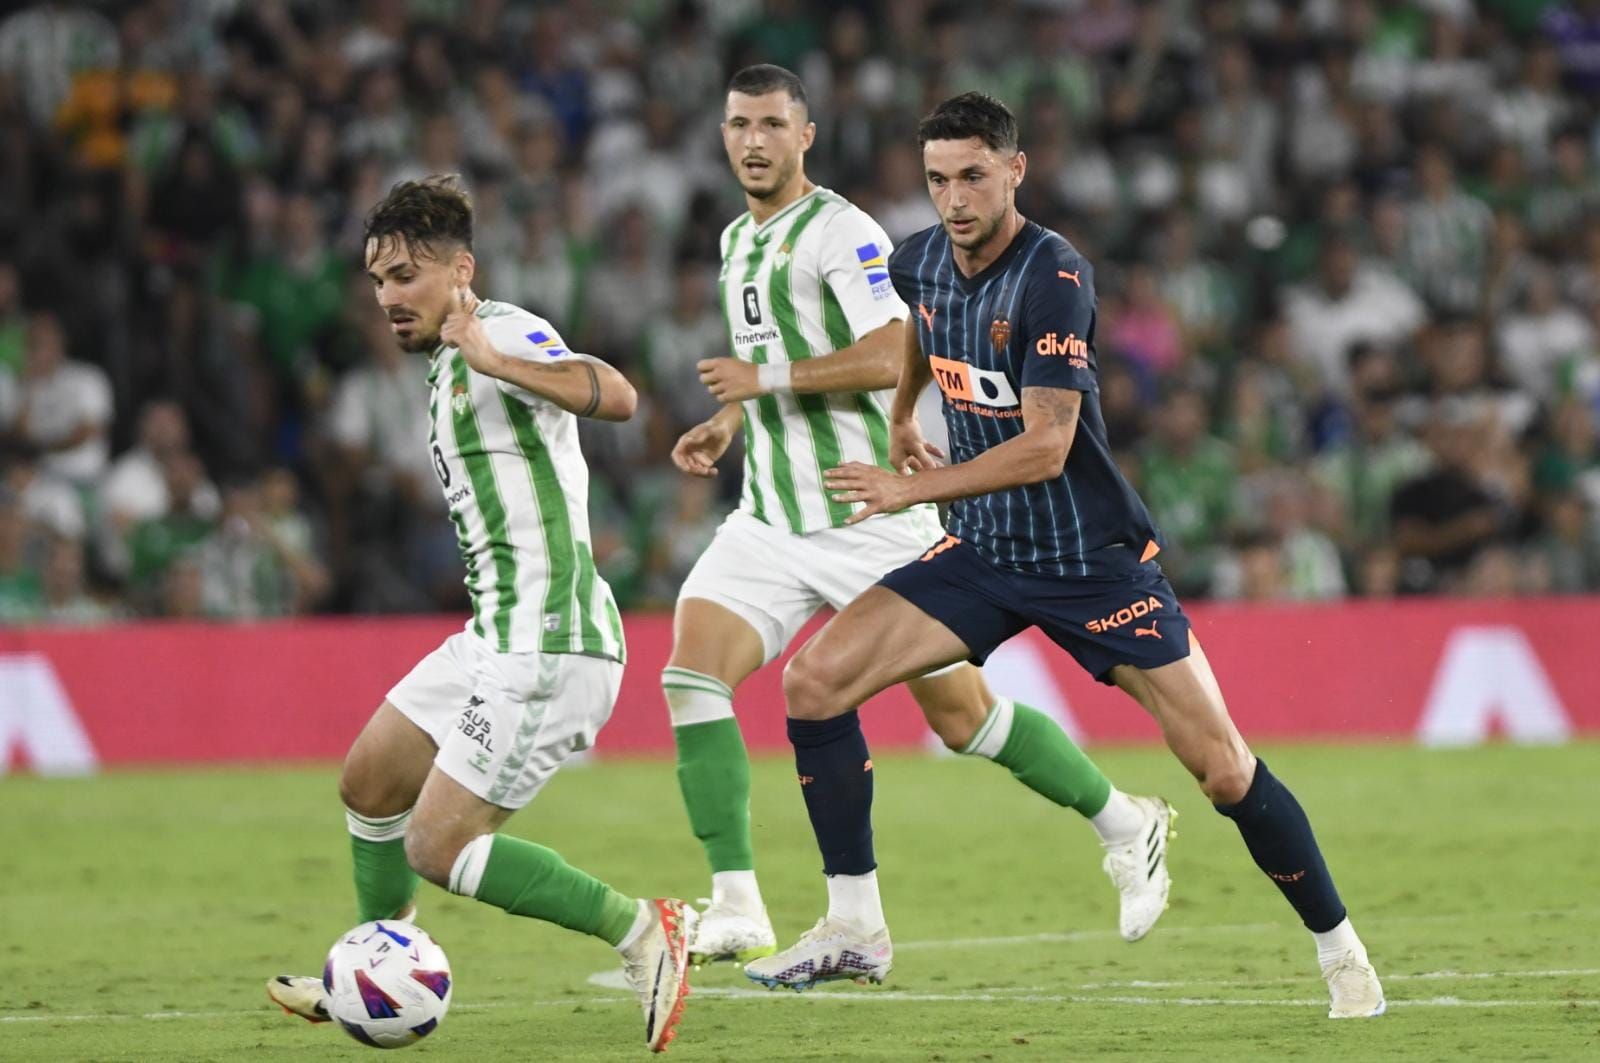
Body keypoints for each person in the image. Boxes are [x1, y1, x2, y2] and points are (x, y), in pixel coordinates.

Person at [743, 93, 1386, 1021]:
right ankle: (854, 926)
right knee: (813, 684)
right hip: (985, 550)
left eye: (972, 175)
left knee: (1223, 768)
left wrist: (910, 490)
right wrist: (896, 417)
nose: (953, 198)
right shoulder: (919, 257)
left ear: (1015, 169)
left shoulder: (1055, 275)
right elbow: (921, 333)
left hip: (1092, 562)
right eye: (936, 179)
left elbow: (1047, 444)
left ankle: (1342, 952)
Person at [668, 65, 1174, 971]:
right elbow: (768, 357)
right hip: (770, 518)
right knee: (693, 679)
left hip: (869, 511)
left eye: (772, 124)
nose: (753, 140)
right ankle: (742, 904)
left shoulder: (845, 233)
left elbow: (883, 347)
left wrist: (779, 386)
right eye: (739, 124)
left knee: (963, 720)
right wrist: (732, 414)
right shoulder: (735, 241)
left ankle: (1123, 817)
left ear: (805, 135)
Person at [266, 176, 691, 1053]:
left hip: (551, 643)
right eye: (379, 279)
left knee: (437, 842)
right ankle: (374, 961)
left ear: (462, 271)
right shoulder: (443, 362)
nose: (388, 296)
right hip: (495, 634)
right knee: (369, 781)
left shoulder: (501, 331)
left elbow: (618, 395)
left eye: (408, 276)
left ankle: (645, 928)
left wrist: (497, 358)